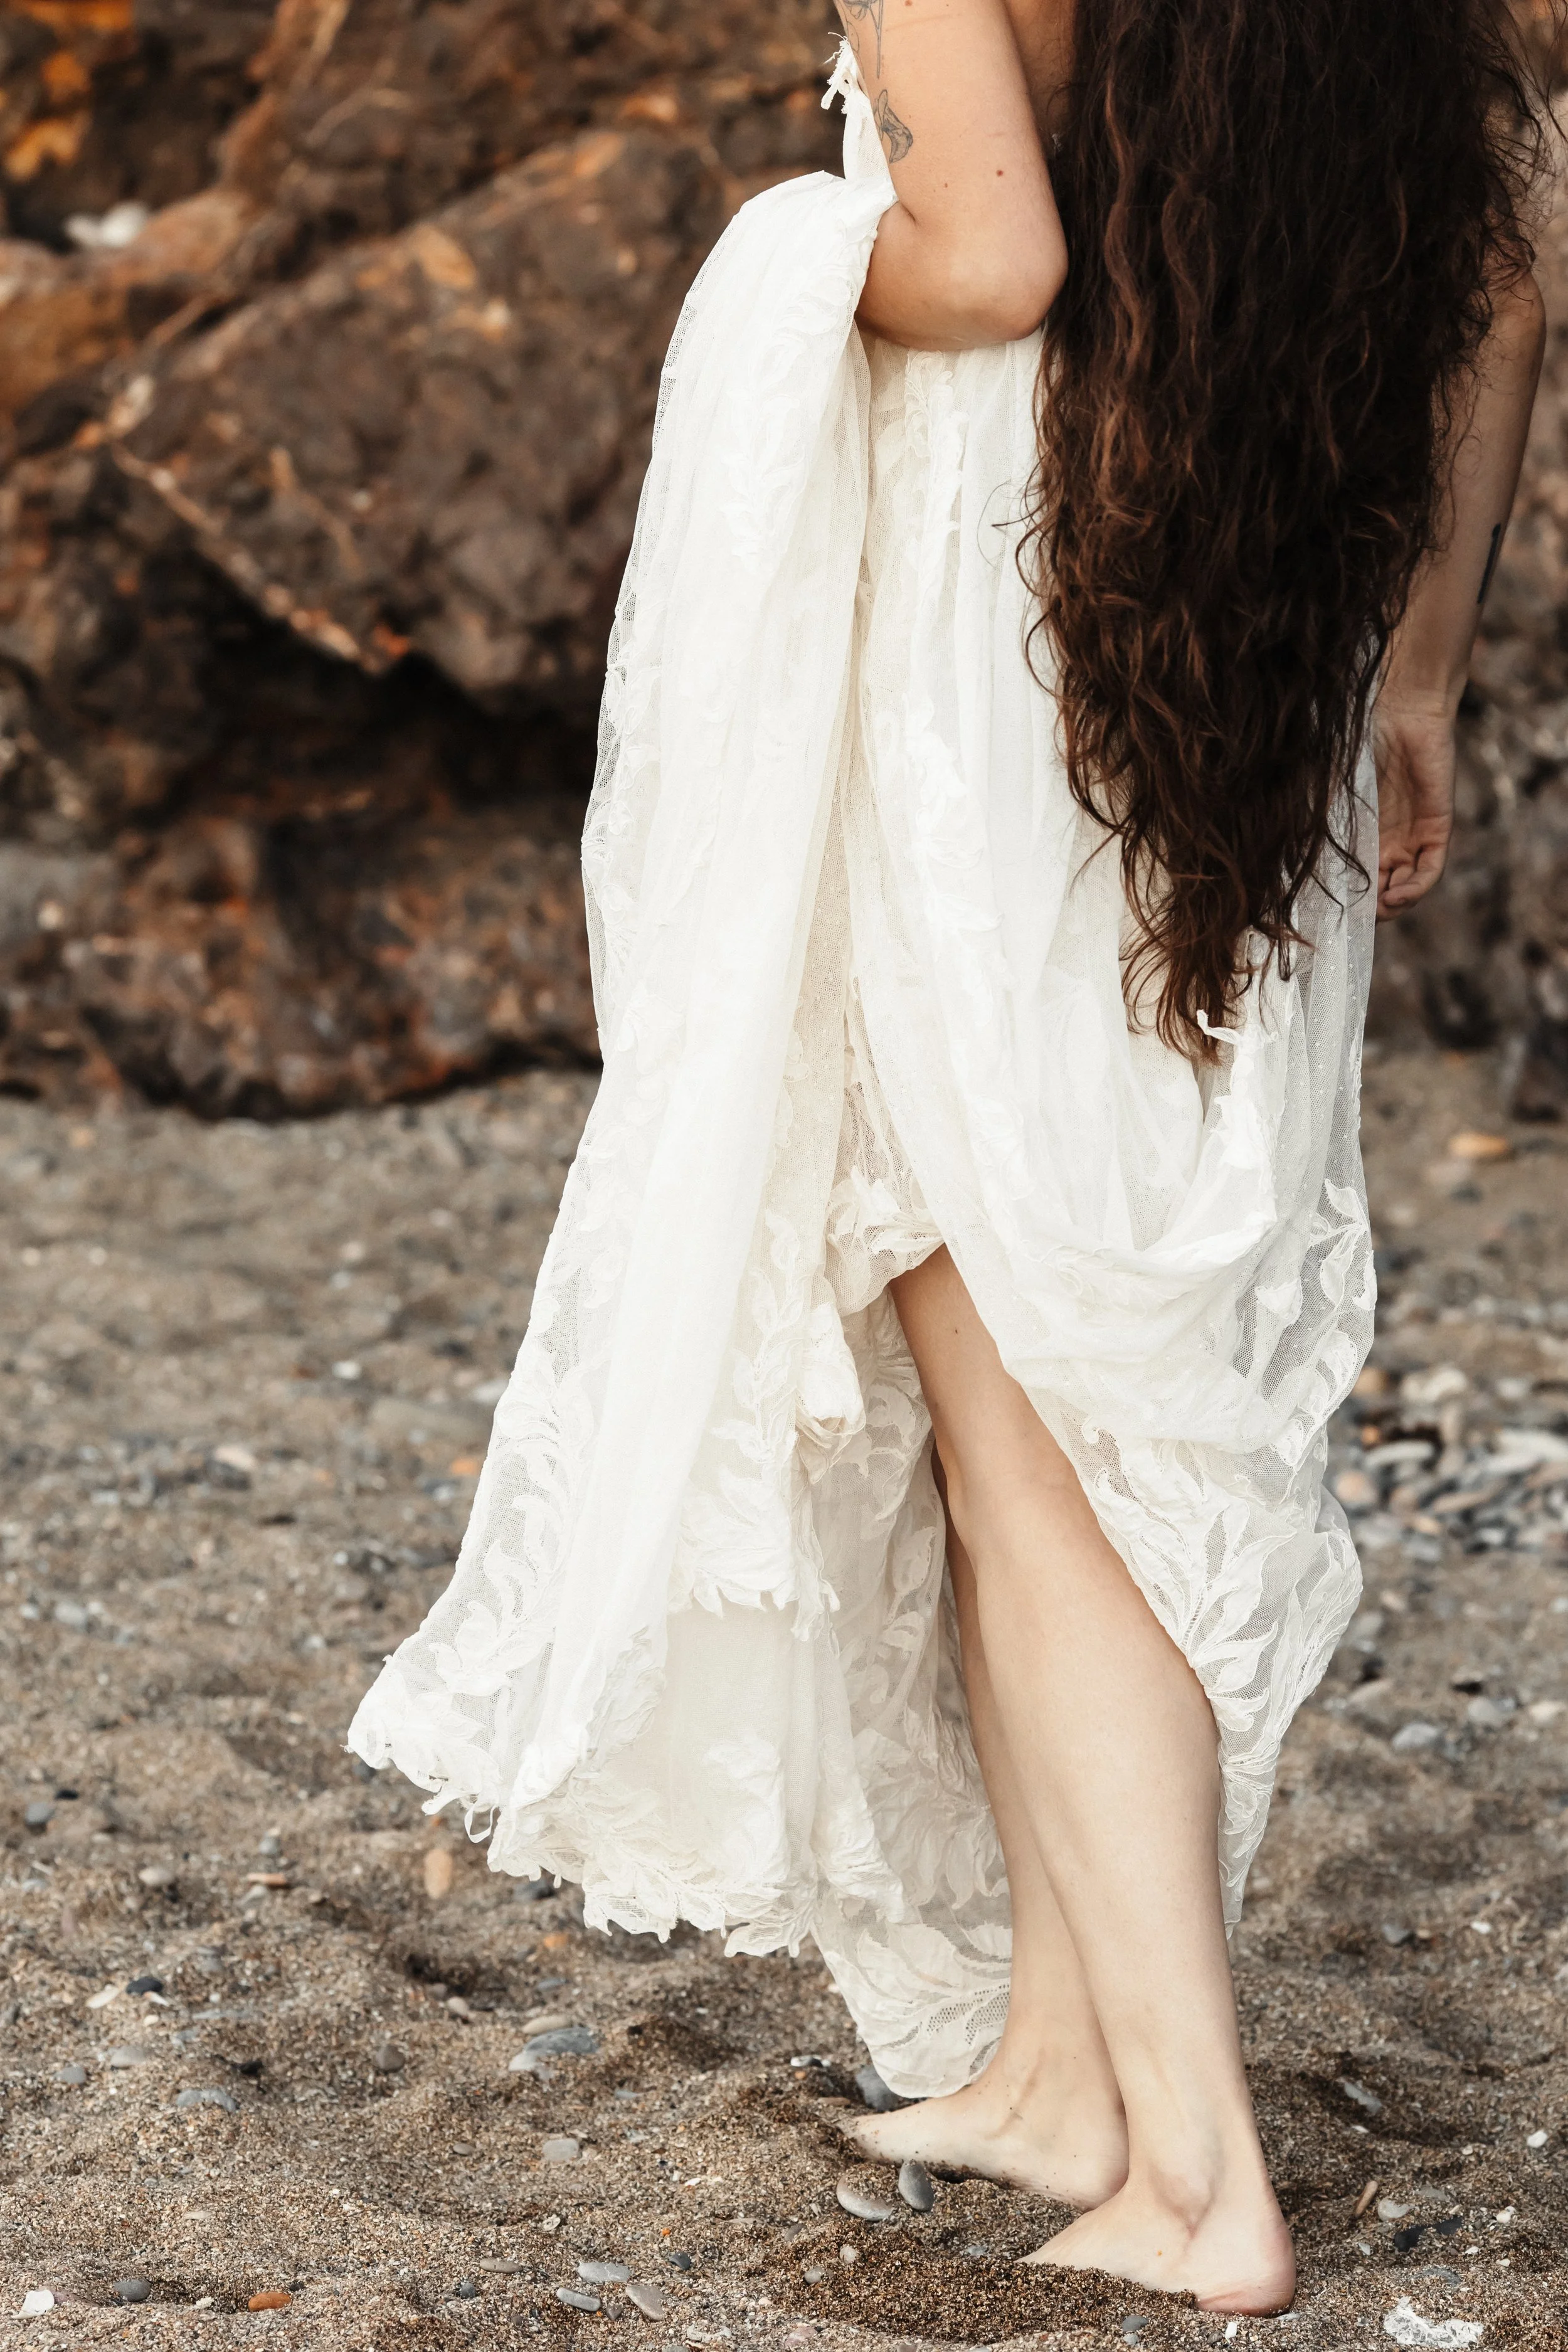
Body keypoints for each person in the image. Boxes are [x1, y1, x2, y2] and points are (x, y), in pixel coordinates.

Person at [351, 0, 1552, 2313]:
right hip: (1239, 632)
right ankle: (1057, 2067)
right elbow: (1505, 253)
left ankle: (1199, 2171)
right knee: (1021, 1382)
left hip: (1000, 652)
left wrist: (777, 253)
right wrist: (1418, 670)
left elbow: (986, 262)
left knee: (1022, 1425)